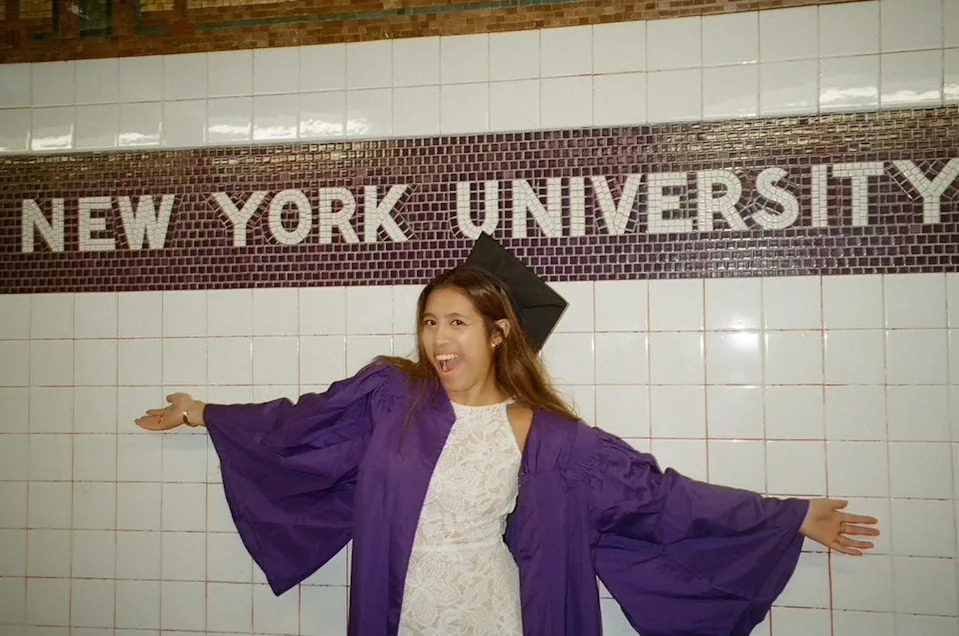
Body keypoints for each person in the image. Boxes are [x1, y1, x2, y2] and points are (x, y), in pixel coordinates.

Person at [137, 233, 880, 636]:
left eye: (455, 322)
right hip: (393, 605)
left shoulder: (546, 437)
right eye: (429, 321)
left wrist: (788, 515)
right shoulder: (390, 395)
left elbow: (657, 498)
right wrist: (203, 411)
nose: (436, 338)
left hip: (487, 612)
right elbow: (299, 427)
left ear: (497, 333)